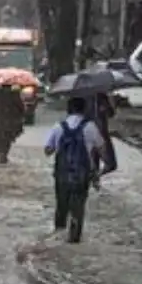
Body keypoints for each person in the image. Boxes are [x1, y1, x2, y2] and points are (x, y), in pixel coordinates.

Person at [44, 96, 105, 243]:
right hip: (81, 176)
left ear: (68, 110)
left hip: (62, 175)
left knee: (61, 206)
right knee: (77, 208)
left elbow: (47, 150)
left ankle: (57, 237)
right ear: (84, 110)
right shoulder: (90, 127)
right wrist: (98, 172)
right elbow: (102, 150)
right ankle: (74, 238)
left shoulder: (58, 127)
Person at [0, 82, 24, 164]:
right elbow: (20, 107)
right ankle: (3, 155)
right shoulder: (14, 94)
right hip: (9, 120)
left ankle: (1, 155)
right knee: (7, 138)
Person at [87, 92, 118, 178]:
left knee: (111, 164)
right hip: (91, 134)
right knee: (93, 164)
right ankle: (93, 180)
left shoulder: (101, 95)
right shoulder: (82, 97)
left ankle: (95, 177)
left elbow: (111, 113)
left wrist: (107, 107)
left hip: (101, 132)